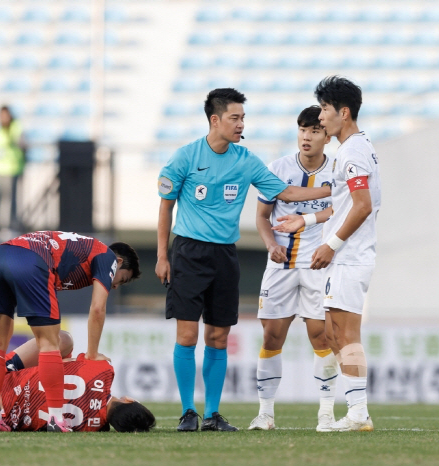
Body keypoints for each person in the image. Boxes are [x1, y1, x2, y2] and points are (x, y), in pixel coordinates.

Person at [155, 88, 332, 432]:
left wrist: (331, 189)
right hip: (188, 252)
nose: (241, 125)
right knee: (188, 336)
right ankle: (188, 411)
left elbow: (286, 192)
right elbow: (166, 206)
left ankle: (213, 415)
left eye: (243, 118)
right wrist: (162, 255)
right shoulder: (184, 157)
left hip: (224, 255)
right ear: (215, 120)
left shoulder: (246, 159)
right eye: (235, 118)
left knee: (218, 338)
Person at [274, 76, 381, 432]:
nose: (320, 118)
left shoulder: (352, 151)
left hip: (350, 256)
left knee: (346, 334)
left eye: (325, 109)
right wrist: (304, 220)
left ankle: (358, 414)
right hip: (344, 256)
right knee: (335, 333)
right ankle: (356, 410)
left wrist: (331, 245)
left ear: (344, 113)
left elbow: (362, 205)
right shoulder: (351, 149)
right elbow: (342, 205)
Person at [0, 231, 141, 432]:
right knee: (50, 343)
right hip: (30, 260)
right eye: (122, 279)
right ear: (118, 262)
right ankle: (56, 419)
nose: (116, 286)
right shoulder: (107, 257)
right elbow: (98, 308)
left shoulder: (84, 250)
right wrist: (92, 353)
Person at [248, 106, 338, 432]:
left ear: (327, 136)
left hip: (319, 264)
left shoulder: (339, 171)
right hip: (281, 265)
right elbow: (261, 217)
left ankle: (326, 413)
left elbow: (342, 210)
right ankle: (265, 414)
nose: (306, 136)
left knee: (321, 335)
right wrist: (270, 244)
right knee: (272, 335)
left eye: (314, 130)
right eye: (302, 129)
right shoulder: (278, 168)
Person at [0, 332, 155, 432]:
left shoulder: (104, 370)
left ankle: (3, 367)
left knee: (64, 341)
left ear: (129, 399)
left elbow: (67, 363)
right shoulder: (93, 428)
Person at [0, 105, 25, 232]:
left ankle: (12, 226)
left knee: (11, 201)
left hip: (12, 168)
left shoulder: (15, 128)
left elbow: (22, 144)